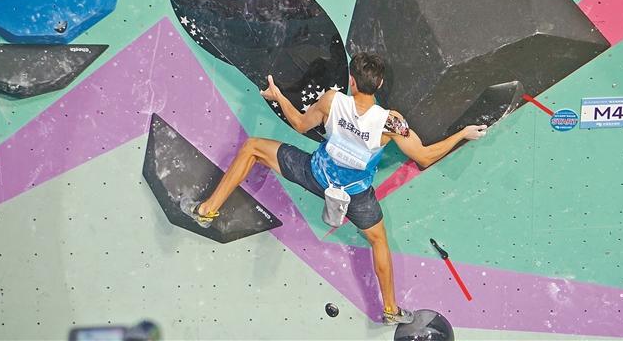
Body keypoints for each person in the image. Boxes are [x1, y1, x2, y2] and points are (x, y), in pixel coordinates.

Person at [184, 53, 488, 325]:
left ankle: (207, 210)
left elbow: (300, 124)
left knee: (252, 148)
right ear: (379, 84)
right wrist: (462, 133)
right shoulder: (390, 122)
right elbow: (425, 157)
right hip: (355, 196)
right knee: (379, 241)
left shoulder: (331, 101)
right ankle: (391, 309)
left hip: (314, 174)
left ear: (352, 81)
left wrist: (278, 96)